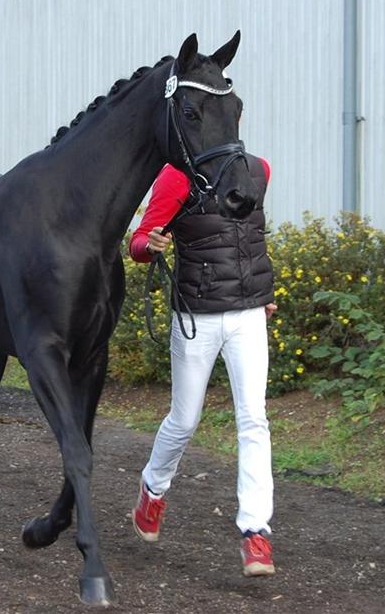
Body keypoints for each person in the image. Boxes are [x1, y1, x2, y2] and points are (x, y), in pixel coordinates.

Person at [128, 154, 278, 577]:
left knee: (254, 419)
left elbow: (250, 237)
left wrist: (261, 290)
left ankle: (255, 532)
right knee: (184, 419)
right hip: (197, 316)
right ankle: (153, 490)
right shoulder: (176, 176)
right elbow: (139, 241)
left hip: (248, 314)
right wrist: (149, 245)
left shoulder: (257, 170)